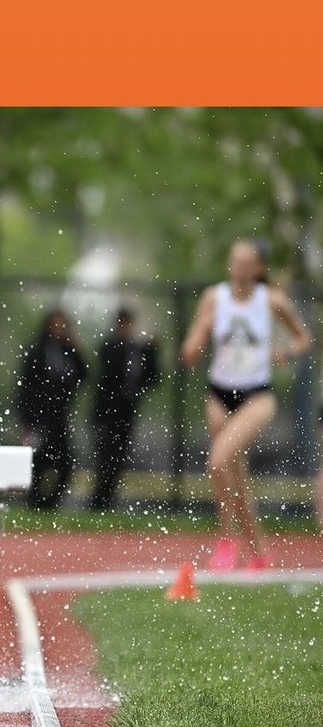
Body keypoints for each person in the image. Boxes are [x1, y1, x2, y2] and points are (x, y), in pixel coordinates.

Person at [181, 240, 311, 570]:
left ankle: (226, 539)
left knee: (217, 461)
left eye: (245, 262)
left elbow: (303, 338)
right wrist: (199, 335)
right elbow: (190, 352)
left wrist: (287, 353)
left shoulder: (272, 300)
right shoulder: (214, 297)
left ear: (258, 268)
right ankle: (259, 553)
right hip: (220, 394)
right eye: (233, 261)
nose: (237, 267)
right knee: (236, 479)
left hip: (257, 395)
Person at [89, 307, 161, 510]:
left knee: (118, 460)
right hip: (106, 414)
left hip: (126, 415)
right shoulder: (111, 347)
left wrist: (151, 351)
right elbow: (110, 374)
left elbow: (151, 378)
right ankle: (98, 502)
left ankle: (107, 501)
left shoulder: (136, 350)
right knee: (105, 459)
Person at [17, 309, 87, 509]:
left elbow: (83, 376)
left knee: (64, 462)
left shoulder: (68, 352)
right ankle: (34, 502)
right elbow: (25, 388)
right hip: (38, 416)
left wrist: (76, 349)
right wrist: (26, 422)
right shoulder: (37, 351)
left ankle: (50, 503)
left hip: (60, 417)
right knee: (38, 461)